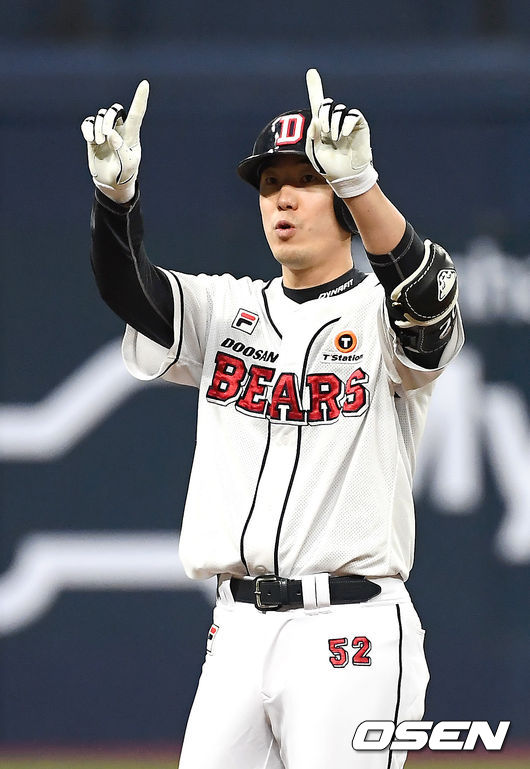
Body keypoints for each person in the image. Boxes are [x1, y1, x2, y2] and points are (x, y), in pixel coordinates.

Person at [82, 69, 464, 769]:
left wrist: (361, 183)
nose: (282, 198)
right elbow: (128, 289)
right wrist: (115, 201)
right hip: (237, 629)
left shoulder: (377, 316)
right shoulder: (226, 311)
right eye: (268, 184)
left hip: (349, 629)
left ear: (340, 200)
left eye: (305, 181)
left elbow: (426, 292)